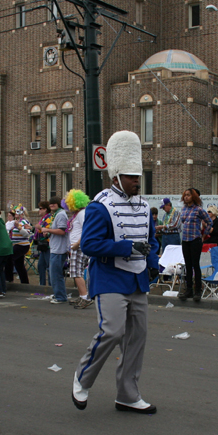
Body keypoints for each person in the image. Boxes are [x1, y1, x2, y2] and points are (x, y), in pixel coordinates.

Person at [72, 130, 159, 414]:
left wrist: (153, 263)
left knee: (137, 338)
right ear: (117, 176)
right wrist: (127, 247)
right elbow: (89, 244)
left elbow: (152, 240)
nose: (137, 181)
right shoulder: (100, 206)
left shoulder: (144, 206)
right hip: (109, 277)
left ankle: (127, 395)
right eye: (132, 176)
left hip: (138, 279)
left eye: (138, 176)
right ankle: (83, 378)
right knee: (112, 331)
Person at [177, 188, 212, 302]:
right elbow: (182, 222)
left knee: (195, 265)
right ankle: (188, 290)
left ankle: (197, 291)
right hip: (185, 240)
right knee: (187, 265)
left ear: (194, 197)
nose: (186, 197)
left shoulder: (198, 210)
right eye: (185, 195)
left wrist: (204, 235)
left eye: (188, 195)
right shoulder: (184, 209)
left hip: (195, 240)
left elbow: (209, 222)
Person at [65, 189, 92, 309]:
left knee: (76, 272)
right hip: (77, 247)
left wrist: (77, 243)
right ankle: (82, 296)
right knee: (77, 272)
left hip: (79, 247)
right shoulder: (78, 214)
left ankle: (85, 297)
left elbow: (87, 229)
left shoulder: (82, 214)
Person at [42, 196, 69, 304]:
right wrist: (48, 232)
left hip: (59, 249)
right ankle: (58, 293)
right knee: (53, 274)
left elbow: (62, 231)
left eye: (54, 203)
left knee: (56, 274)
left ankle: (61, 297)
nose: (51, 205)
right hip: (55, 248)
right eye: (50, 203)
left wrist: (48, 230)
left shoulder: (61, 214)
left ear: (59, 204)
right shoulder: (56, 214)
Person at [5, 205, 32, 284]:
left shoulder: (24, 222)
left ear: (22, 213)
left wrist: (19, 227)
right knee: (19, 265)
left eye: (17, 212)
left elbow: (26, 234)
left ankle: (8, 279)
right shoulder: (14, 222)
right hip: (15, 245)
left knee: (9, 259)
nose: (15, 213)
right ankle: (25, 283)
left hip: (22, 245)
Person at [34, 201, 53, 286]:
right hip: (42, 245)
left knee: (48, 266)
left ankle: (50, 285)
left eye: (40, 208)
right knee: (40, 266)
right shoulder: (43, 219)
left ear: (45, 209)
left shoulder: (49, 218)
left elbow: (47, 231)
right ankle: (42, 284)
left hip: (47, 245)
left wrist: (40, 228)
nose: (39, 210)